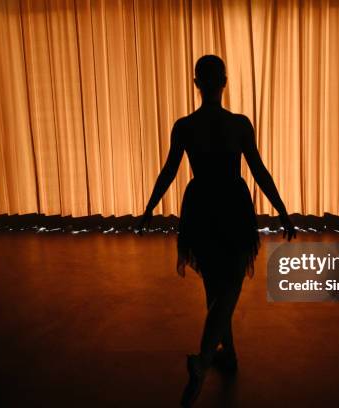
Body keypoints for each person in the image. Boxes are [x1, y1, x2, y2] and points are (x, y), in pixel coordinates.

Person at [137, 55, 296, 407]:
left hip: (201, 206)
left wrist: (149, 207)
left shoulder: (185, 126)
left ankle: (229, 354)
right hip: (232, 204)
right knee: (231, 284)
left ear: (197, 84)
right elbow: (259, 172)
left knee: (214, 285)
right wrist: (283, 211)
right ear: (224, 82)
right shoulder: (239, 124)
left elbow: (169, 171)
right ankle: (205, 359)